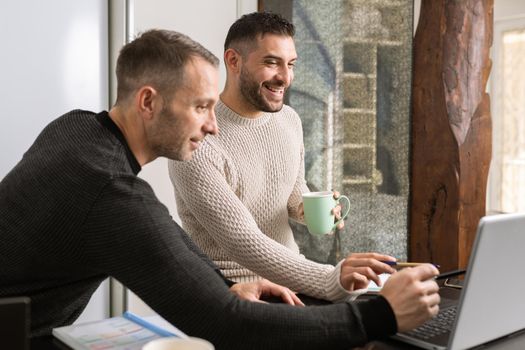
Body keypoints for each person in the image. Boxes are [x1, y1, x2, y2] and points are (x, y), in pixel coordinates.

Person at [0, 29, 440, 349]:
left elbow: (162, 233)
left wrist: (217, 284)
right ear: (148, 102)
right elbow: (229, 326)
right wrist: (380, 314)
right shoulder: (110, 192)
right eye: (200, 107)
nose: (212, 126)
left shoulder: (76, 128)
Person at [169, 12, 397, 303]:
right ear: (234, 61)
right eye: (271, 62)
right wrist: (330, 279)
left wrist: (310, 210)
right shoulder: (196, 140)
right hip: (237, 296)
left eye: (290, 64)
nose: (286, 78)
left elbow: (291, 193)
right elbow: (245, 242)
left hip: (295, 284)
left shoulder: (288, 120)